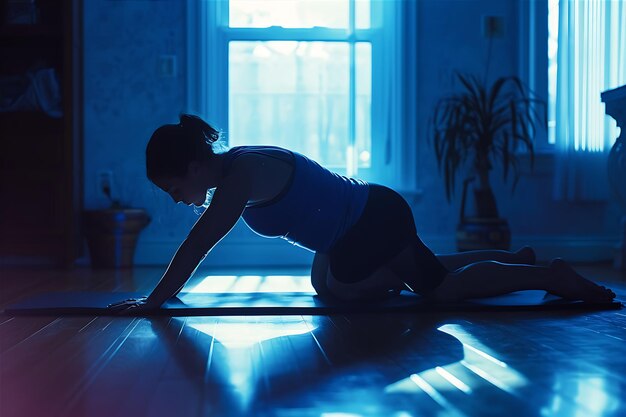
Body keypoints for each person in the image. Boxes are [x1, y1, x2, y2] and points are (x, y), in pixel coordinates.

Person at [113, 114, 616, 312]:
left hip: (373, 218)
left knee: (430, 289)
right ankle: (511, 257)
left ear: (196, 166)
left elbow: (199, 243)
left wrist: (152, 302)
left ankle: (550, 275)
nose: (177, 199)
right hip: (361, 222)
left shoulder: (238, 178)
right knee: (330, 284)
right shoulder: (238, 166)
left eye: (174, 186)